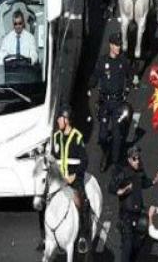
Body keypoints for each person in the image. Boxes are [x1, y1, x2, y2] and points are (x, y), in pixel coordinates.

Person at [109, 146, 158, 262]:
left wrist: (153, 181)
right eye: (134, 159)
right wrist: (121, 191)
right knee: (127, 248)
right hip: (126, 216)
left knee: (137, 246)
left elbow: (143, 182)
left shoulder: (140, 171)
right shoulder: (123, 173)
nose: (137, 161)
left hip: (139, 214)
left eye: (138, 158)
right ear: (129, 160)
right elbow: (111, 187)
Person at [51, 106, 90, 254]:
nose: (57, 121)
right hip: (58, 181)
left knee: (82, 203)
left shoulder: (77, 137)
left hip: (73, 180)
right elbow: (54, 158)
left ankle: (82, 237)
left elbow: (84, 161)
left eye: (60, 118)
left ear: (66, 120)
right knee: (43, 201)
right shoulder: (56, 137)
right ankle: (46, 235)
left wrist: (74, 176)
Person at [90, 33, 130, 171]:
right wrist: (90, 85)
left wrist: (129, 87)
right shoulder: (103, 61)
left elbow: (131, 75)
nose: (119, 47)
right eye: (116, 45)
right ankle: (105, 151)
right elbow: (95, 75)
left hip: (118, 102)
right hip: (105, 103)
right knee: (102, 136)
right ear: (111, 45)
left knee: (118, 136)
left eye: (120, 45)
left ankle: (115, 163)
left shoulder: (123, 61)